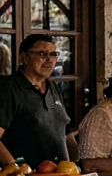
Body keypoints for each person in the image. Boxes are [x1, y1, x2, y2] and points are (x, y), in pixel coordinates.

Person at [0, 34, 74, 166]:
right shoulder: (9, 89)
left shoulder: (53, 88)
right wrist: (15, 169)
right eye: (42, 54)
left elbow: (64, 133)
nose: (49, 60)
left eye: (53, 54)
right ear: (23, 58)